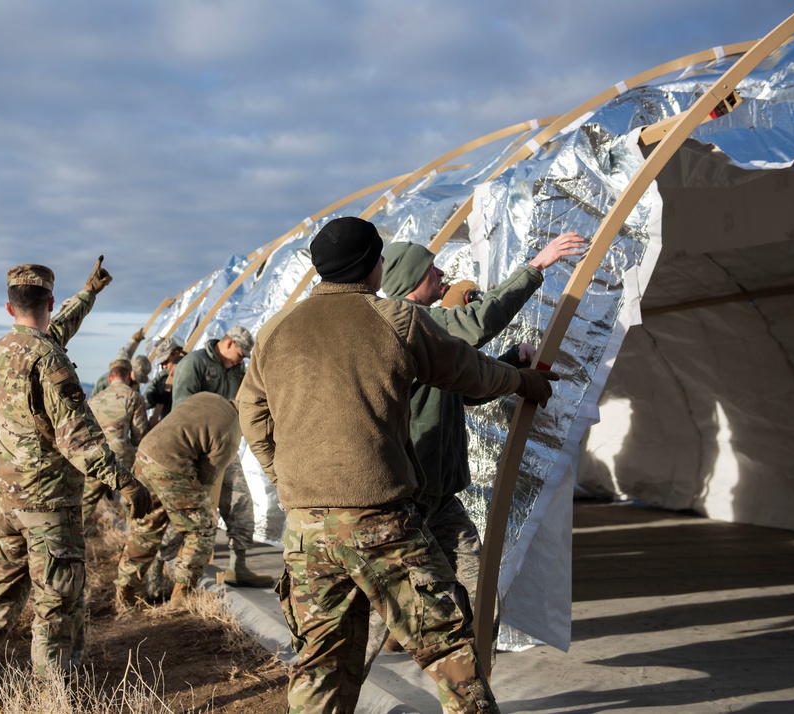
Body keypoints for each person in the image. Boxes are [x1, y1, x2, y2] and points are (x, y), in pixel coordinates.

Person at [238, 216, 559, 713]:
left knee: (320, 662)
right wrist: (524, 382)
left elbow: (251, 412)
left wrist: (283, 476)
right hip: (380, 520)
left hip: (304, 528)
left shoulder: (277, 329)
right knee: (448, 649)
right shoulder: (394, 319)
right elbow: (470, 373)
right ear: (372, 266)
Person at [0, 259, 152, 713]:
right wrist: (125, 483)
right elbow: (80, 438)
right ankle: (54, 702)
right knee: (57, 610)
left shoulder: (1, 350)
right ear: (48, 301)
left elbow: (51, 331)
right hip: (48, 505)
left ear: (9, 306)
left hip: (5, 504)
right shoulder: (50, 359)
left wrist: (88, 293)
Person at [367, 233, 585, 668]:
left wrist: (510, 363)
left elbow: (463, 390)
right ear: (412, 279)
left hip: (440, 498)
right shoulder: (410, 321)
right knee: (379, 610)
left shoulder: (427, 332)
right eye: (432, 269)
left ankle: (476, 684)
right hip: (406, 502)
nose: (443, 274)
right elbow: (475, 323)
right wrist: (536, 266)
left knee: (479, 588)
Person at [115, 392, 242, 608]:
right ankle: (181, 597)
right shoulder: (232, 431)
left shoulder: (208, 397)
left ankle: (124, 594)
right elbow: (207, 479)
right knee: (202, 528)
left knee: (146, 530)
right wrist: (205, 510)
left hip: (145, 454)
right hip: (171, 464)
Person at [170, 325, 271, 587]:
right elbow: (183, 410)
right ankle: (160, 569)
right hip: (193, 448)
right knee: (185, 510)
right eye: (240, 353)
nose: (242, 360)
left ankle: (238, 566)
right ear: (227, 343)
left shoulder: (237, 370)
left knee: (240, 502)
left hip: (223, 448)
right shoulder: (194, 364)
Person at [83, 358, 151, 526]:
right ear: (129, 376)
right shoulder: (134, 397)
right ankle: (132, 541)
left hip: (95, 458)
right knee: (132, 502)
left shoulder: (93, 400)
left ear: (110, 378)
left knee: (84, 504)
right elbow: (139, 436)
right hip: (121, 459)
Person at [90, 328, 152, 398]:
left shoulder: (134, 383)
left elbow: (125, 352)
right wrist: (133, 340)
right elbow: (124, 352)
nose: (138, 382)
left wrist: (134, 340)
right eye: (137, 378)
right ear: (131, 370)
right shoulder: (111, 379)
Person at [145, 337, 185, 426]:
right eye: (162, 364)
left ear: (176, 353)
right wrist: (153, 396)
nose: (164, 366)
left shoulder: (191, 367)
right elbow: (145, 400)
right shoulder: (163, 375)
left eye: (166, 361)